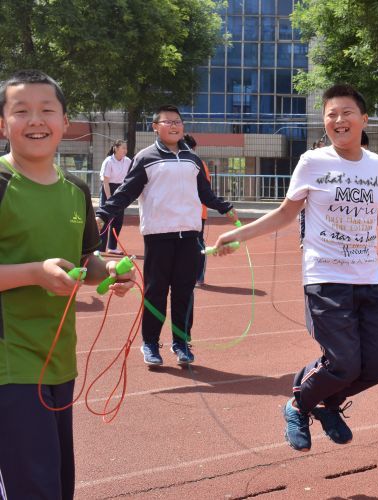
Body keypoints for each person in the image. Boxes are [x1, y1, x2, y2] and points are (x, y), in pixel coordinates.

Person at [211, 84, 378, 452]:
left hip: (368, 280)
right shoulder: (313, 162)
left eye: (347, 113)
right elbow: (286, 213)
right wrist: (239, 234)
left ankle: (327, 402)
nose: (339, 120)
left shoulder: (375, 164)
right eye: (331, 114)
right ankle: (297, 405)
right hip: (326, 278)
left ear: (364, 119)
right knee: (343, 363)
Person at [0, 69, 134, 500]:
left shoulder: (76, 190)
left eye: (47, 110)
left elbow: (83, 262)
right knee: (33, 489)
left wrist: (110, 271)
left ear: (65, 122)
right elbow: (45, 269)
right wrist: (34, 273)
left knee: (57, 485)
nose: (35, 120)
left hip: (58, 361)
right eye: (21, 111)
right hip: (9, 364)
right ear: (3, 124)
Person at [96, 105, 237, 367]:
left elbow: (205, 193)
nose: (174, 126)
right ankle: (150, 343)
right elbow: (126, 193)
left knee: (184, 291)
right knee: (155, 292)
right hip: (159, 235)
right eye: (168, 122)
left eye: (178, 122)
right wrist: (103, 214)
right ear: (155, 127)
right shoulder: (146, 158)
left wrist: (224, 206)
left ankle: (182, 343)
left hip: (190, 235)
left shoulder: (192, 158)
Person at [183, 134, 211, 286]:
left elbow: (205, 190)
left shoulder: (199, 163)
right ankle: (188, 275)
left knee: (198, 244)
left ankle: (199, 276)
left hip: (198, 212)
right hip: (182, 212)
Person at [98, 139, 130, 254]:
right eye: (123, 148)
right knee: (104, 219)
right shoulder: (108, 161)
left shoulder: (127, 161)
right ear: (116, 149)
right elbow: (105, 182)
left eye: (126, 148)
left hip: (120, 189)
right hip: (108, 188)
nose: (125, 151)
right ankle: (100, 248)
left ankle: (112, 247)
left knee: (118, 220)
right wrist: (109, 198)